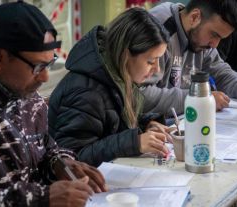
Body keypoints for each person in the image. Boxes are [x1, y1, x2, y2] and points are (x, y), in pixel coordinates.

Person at [0, 1, 106, 206]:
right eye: (37, 66)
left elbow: (45, 147)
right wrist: (42, 197)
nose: (44, 77)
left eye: (49, 63)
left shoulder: (23, 90)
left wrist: (60, 163)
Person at [48, 8, 171, 167]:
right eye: (150, 61)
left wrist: (145, 125)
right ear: (126, 55)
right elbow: (72, 158)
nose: (157, 69)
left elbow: (110, 125)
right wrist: (134, 142)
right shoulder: (86, 92)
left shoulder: (117, 75)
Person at [141, 0, 237, 116]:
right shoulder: (158, 30)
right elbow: (140, 95)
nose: (215, 45)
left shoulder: (200, 36)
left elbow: (222, 74)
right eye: (214, 35)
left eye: (220, 38)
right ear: (194, 17)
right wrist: (200, 100)